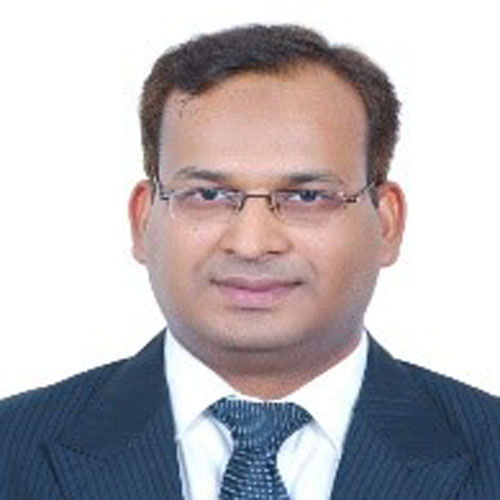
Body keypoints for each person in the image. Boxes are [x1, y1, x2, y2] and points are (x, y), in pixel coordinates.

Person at [1, 24, 499, 500]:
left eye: (307, 197)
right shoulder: (12, 449)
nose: (252, 244)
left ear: (387, 223)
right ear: (143, 219)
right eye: (207, 194)